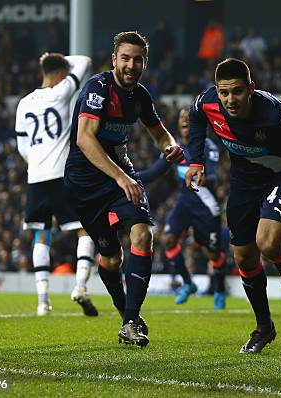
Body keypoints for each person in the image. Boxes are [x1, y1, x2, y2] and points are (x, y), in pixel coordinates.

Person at [185, 58, 281, 353]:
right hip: (243, 183)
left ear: (251, 88)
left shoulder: (274, 113)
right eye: (224, 93)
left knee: (267, 242)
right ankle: (264, 328)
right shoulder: (206, 103)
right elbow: (195, 118)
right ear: (216, 90)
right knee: (243, 258)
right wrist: (196, 159)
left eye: (237, 92)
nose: (230, 100)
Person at [64, 31, 184, 348]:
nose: (132, 65)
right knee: (111, 257)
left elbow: (160, 134)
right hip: (85, 183)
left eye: (138, 59)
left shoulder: (140, 96)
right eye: (126, 58)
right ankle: (124, 312)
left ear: (145, 62)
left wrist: (170, 146)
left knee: (142, 233)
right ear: (114, 58)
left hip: (119, 176)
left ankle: (131, 321)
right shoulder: (98, 88)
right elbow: (84, 139)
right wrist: (120, 176)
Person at [15, 52, 98, 317]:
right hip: (62, 175)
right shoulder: (62, 91)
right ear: (62, 72)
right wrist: (60, 60)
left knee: (41, 235)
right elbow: (83, 61)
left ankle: (42, 302)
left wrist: (37, 161)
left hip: (35, 177)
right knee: (84, 230)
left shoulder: (24, 103)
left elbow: (22, 148)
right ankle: (81, 286)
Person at [136, 108, 228, 309]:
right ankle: (188, 283)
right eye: (182, 118)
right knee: (168, 240)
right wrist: (126, 176)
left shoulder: (207, 147)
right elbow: (153, 173)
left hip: (206, 205)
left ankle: (219, 289)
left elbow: (211, 176)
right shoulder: (175, 149)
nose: (185, 120)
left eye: (189, 118)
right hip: (184, 203)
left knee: (212, 253)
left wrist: (197, 173)